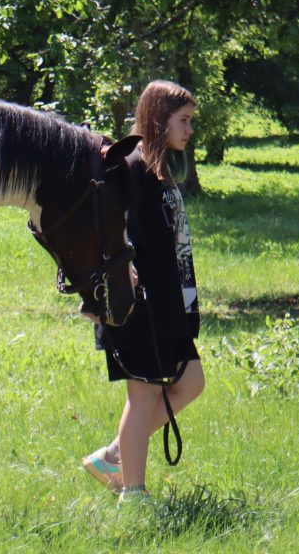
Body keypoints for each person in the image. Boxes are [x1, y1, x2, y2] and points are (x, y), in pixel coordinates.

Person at [81, 80, 205, 503]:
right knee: (145, 392)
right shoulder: (131, 167)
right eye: (183, 121)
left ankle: (115, 454)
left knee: (191, 382)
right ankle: (133, 493)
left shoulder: (160, 170)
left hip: (168, 303)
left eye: (190, 122)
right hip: (140, 306)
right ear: (159, 119)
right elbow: (120, 240)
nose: (189, 131)